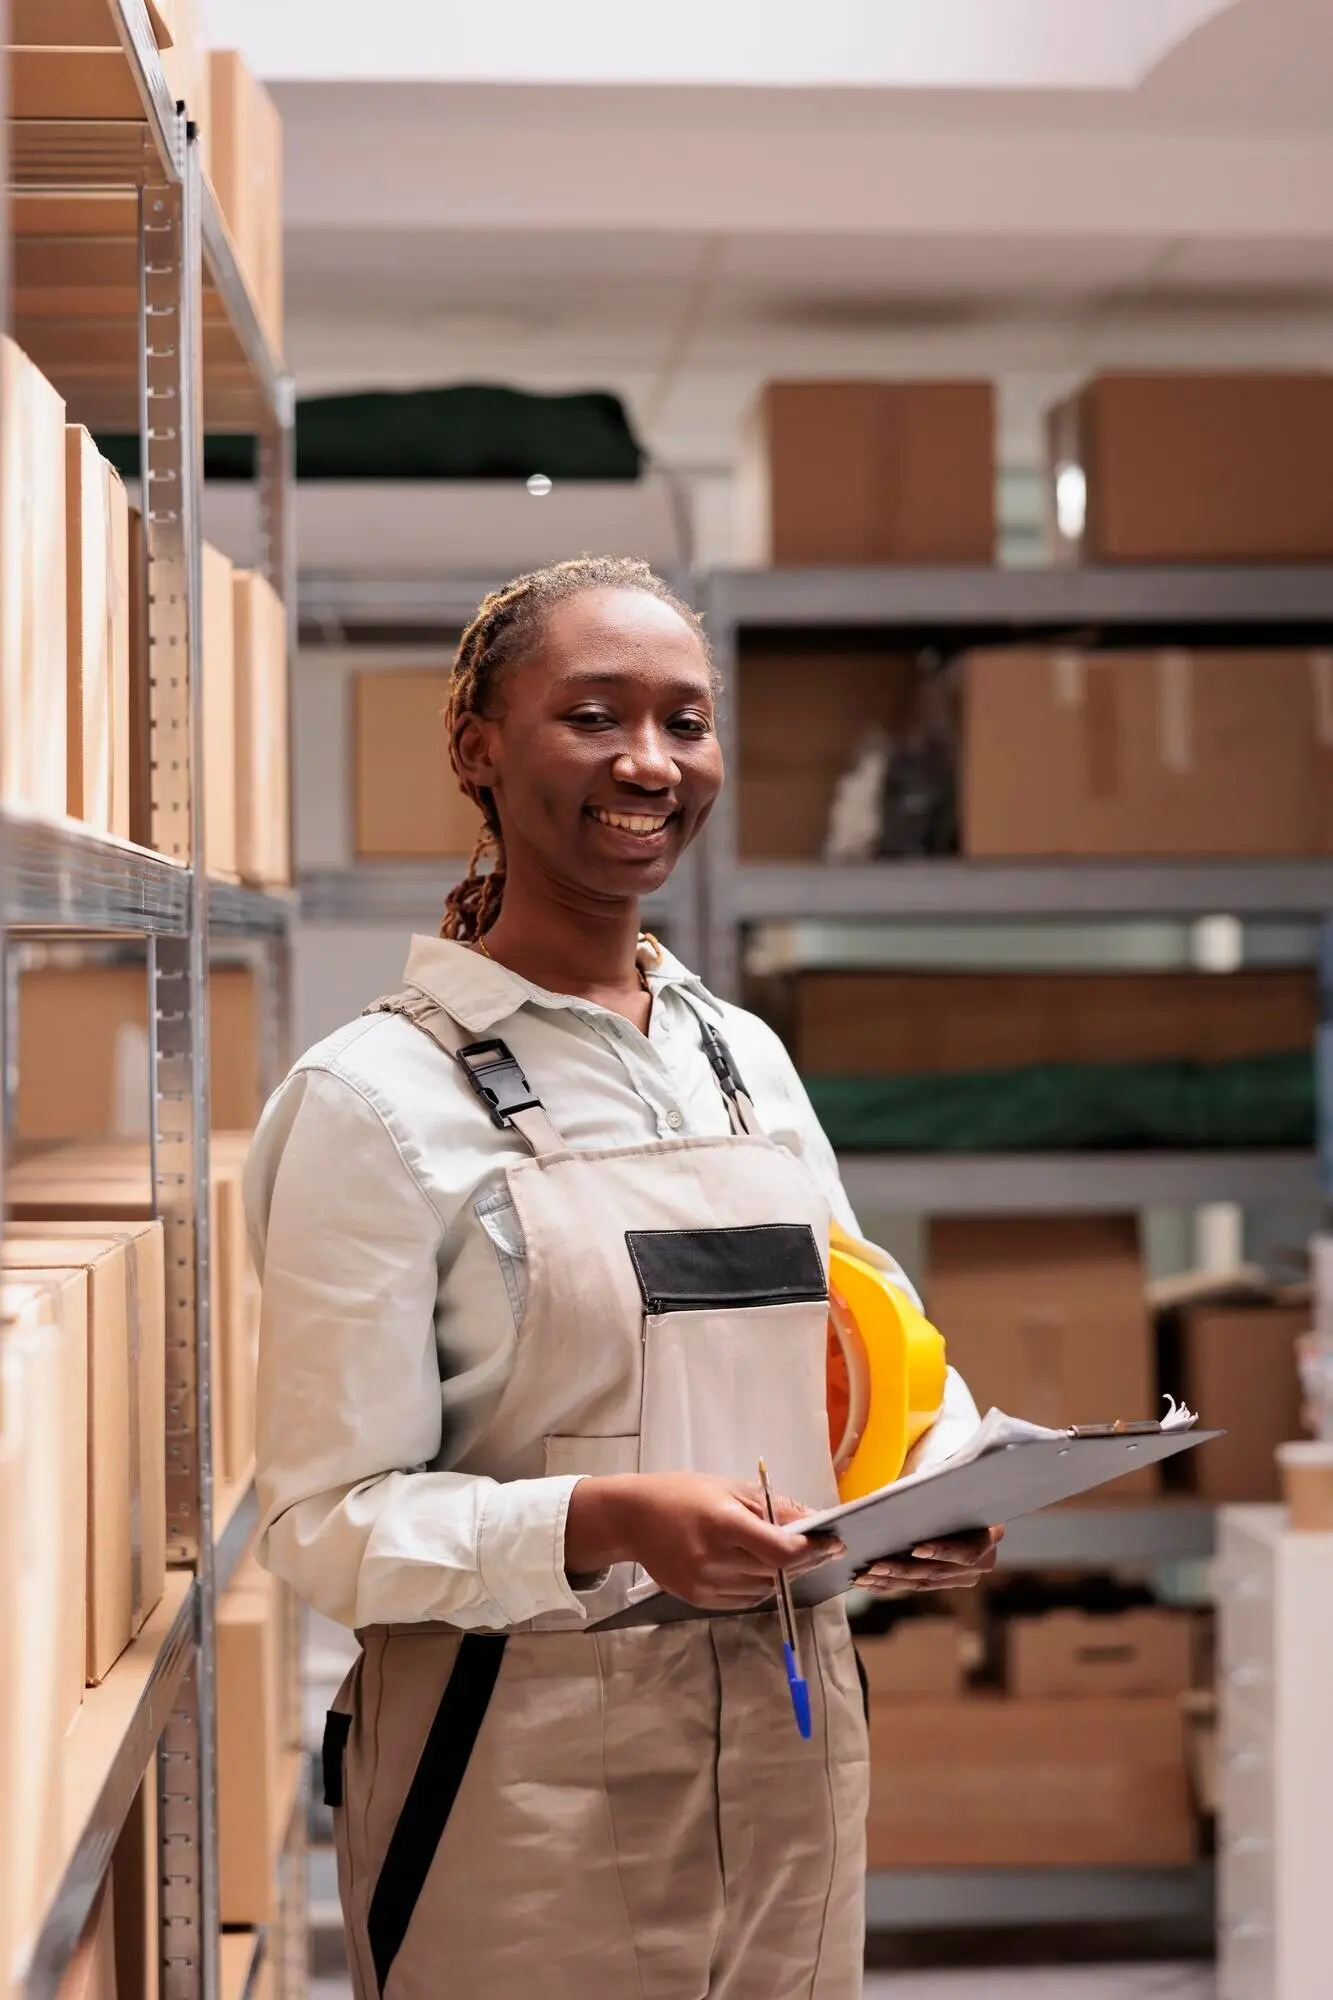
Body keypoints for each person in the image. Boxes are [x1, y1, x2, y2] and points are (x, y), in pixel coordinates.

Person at [245, 556, 999, 2000]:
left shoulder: (743, 1059)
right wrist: (603, 1521)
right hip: (516, 1780)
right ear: (479, 745)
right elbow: (323, 1523)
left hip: (790, 1749)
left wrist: (939, 1474)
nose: (650, 762)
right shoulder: (373, 1101)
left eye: (686, 720)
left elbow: (866, 1343)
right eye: (594, 716)